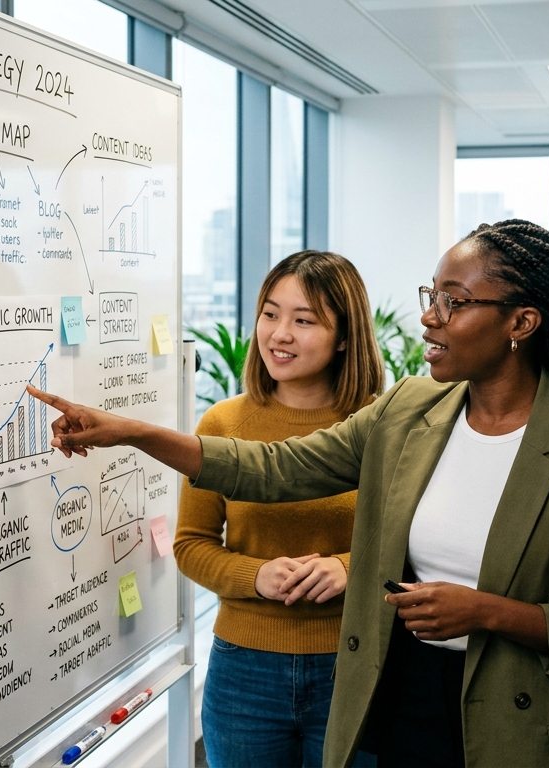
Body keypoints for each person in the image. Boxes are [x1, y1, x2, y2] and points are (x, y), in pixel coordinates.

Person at [28, 220, 549, 767]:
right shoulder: (411, 409)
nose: (429, 318)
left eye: (455, 302)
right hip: (406, 698)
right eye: (430, 296)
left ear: (521, 321)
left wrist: (485, 612)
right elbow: (270, 468)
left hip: (530, 720)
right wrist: (131, 432)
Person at [174, 251, 384, 768]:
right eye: (270, 314)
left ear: (344, 336)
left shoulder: (384, 425)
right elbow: (190, 545)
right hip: (243, 670)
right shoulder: (223, 423)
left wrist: (346, 567)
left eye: (303, 320)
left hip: (356, 662)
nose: (279, 333)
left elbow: (414, 543)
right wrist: (256, 575)